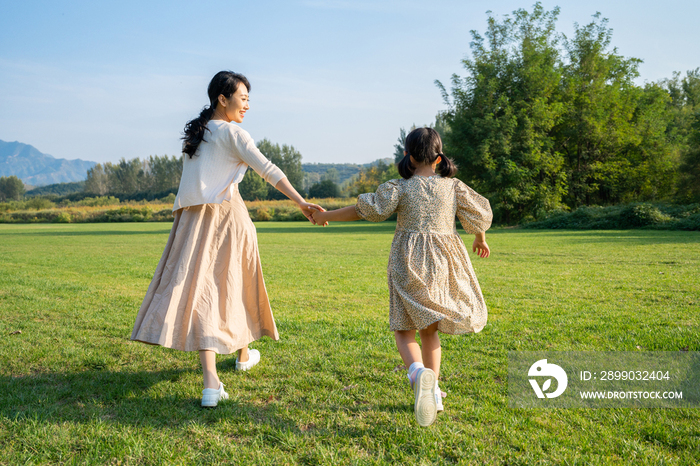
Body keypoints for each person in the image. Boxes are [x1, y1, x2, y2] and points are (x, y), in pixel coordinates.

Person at [131, 71, 323, 408]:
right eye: (243, 98)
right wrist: (302, 202)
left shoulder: (199, 134)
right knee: (228, 288)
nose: (247, 105)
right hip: (225, 217)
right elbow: (269, 170)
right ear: (223, 99)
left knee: (205, 291)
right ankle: (215, 378)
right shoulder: (233, 133)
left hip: (192, 221)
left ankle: (234, 362)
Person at [310, 127, 492, 426]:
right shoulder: (453, 186)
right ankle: (432, 393)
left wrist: (326, 215)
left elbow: (364, 210)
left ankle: (418, 373)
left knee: (404, 327)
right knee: (430, 330)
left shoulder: (399, 187)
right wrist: (480, 238)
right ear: (439, 157)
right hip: (443, 262)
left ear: (407, 156)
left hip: (407, 260)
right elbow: (478, 214)